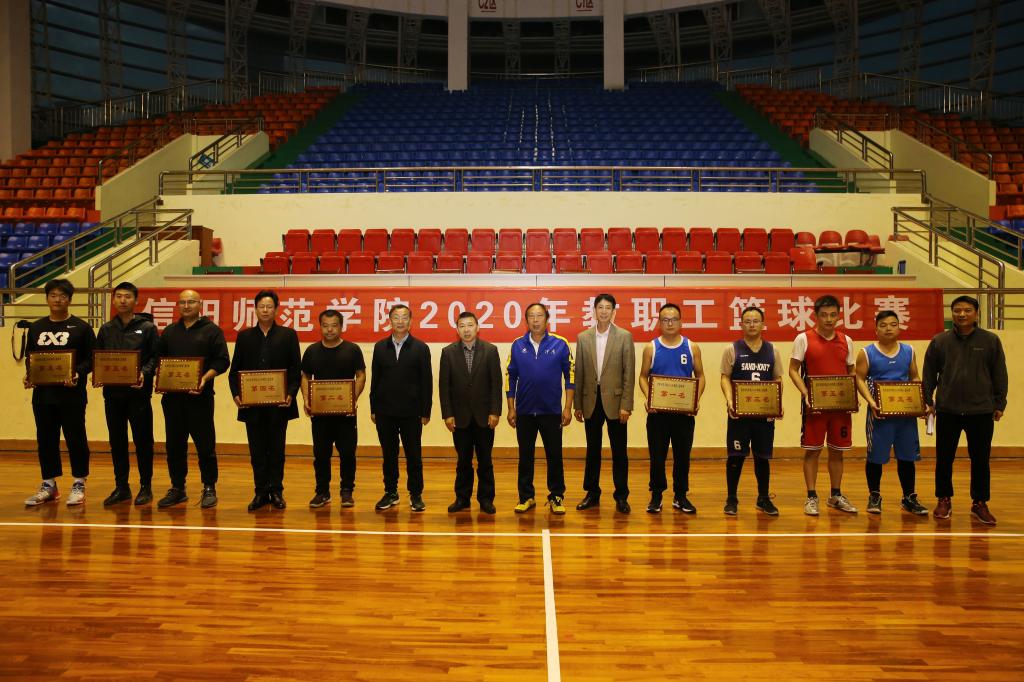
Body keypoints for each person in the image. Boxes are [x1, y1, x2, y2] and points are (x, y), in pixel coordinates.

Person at [922, 295, 1007, 525]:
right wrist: (928, 401)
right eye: (957, 310)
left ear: (976, 313)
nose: (962, 314)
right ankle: (943, 499)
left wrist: (1000, 403)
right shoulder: (940, 341)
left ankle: (979, 503)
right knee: (944, 458)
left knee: (981, 459)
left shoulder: (990, 340)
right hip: (947, 409)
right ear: (952, 313)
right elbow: (929, 374)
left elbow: (1000, 373)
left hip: (981, 410)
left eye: (967, 310)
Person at [23, 279, 96, 506]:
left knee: (76, 438)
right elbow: (30, 357)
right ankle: (49, 484)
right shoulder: (36, 327)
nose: (57, 300)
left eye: (63, 296)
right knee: (46, 439)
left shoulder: (82, 328)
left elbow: (92, 358)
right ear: (47, 298)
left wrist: (77, 373)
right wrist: (29, 375)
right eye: (53, 295)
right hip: (43, 396)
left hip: (72, 395)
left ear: (70, 300)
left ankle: (79, 482)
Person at [156, 289, 230, 509]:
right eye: (182, 302)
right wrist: (160, 378)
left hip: (200, 398)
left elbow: (222, 361)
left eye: (191, 302)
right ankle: (178, 488)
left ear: (200, 304)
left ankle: (209, 487)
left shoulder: (212, 331)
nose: (186, 306)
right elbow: (160, 360)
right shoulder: (169, 332)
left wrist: (204, 379)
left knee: (205, 446)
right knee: (174, 446)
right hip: (172, 400)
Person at [229, 290, 301, 512]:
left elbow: (295, 369)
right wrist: (236, 394)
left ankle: (276, 491)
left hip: (279, 404)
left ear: (276, 309)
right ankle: (260, 491)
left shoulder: (288, 335)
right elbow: (235, 371)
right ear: (255, 309)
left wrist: (291, 393)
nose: (266, 310)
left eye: (270, 306)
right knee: (257, 450)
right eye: (262, 306)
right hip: (252, 405)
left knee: (277, 450)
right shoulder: (244, 336)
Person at [788, 294, 858, 516]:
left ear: (839, 316)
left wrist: (851, 394)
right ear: (816, 316)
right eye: (824, 315)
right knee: (813, 451)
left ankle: (835, 495)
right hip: (814, 407)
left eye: (833, 315)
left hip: (840, 407)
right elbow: (793, 370)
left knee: (837, 452)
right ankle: (811, 496)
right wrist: (805, 392)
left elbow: (852, 371)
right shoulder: (803, 339)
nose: (829, 319)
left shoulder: (847, 340)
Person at [854, 310, 929, 516]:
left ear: (899, 327)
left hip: (905, 415)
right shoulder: (867, 352)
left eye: (893, 324)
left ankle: (909, 497)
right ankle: (874, 495)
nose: (888, 328)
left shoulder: (909, 351)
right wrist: (871, 402)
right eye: (883, 325)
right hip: (880, 415)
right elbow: (859, 378)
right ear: (876, 329)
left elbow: (914, 377)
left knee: (907, 456)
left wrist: (920, 401)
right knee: (876, 457)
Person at [506, 303, 575, 515]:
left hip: (551, 412)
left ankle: (556, 496)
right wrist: (511, 408)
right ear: (526, 320)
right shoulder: (517, 345)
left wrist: (567, 407)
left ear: (547, 319)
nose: (535, 320)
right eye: (531, 316)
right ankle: (526, 496)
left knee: (554, 456)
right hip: (525, 412)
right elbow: (510, 378)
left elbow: (570, 377)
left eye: (539, 316)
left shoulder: (560, 344)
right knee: (525, 456)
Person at [95, 281, 159, 507]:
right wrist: (99, 374)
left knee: (143, 441)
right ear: (113, 300)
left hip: (138, 395)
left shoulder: (147, 328)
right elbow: (98, 358)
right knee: (117, 441)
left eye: (127, 296)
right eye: (119, 296)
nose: (123, 300)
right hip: (112, 395)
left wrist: (144, 372)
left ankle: (146, 486)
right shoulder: (106, 329)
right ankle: (121, 486)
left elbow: (156, 357)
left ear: (136, 300)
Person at [639, 303, 705, 514]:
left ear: (681, 322)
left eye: (674, 319)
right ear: (659, 323)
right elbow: (643, 377)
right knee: (657, 456)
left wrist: (695, 400)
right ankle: (656, 495)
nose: (670, 323)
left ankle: (680, 495)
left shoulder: (692, 347)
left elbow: (700, 376)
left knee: (682, 456)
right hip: (658, 414)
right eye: (665, 320)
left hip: (684, 414)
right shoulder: (651, 348)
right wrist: (649, 398)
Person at [573, 293, 635, 514]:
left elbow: (629, 373)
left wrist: (626, 405)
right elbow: (579, 372)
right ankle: (592, 493)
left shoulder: (624, 336)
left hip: (616, 402)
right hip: (591, 400)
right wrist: (577, 404)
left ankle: (621, 496)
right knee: (593, 450)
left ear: (614, 312)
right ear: (594, 311)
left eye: (608, 308)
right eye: (600, 307)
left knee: (619, 451)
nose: (604, 311)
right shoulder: (583, 337)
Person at [719, 306, 782, 516]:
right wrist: (730, 401)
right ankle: (731, 498)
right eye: (747, 321)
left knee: (762, 457)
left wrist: (777, 403)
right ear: (741, 324)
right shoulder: (732, 349)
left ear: (763, 324)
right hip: (739, 415)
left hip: (763, 415)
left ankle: (763, 498)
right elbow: (725, 377)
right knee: (735, 456)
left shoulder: (773, 350)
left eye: (756, 321)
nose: (752, 325)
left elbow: (778, 379)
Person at [301, 309, 366, 509]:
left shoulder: (352, 350)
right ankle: (322, 492)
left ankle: (347, 491)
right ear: (320, 327)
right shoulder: (312, 351)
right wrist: (306, 399)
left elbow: (361, 375)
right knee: (321, 454)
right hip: (320, 414)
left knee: (347, 453)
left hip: (345, 414)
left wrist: (352, 397)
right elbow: (305, 376)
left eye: (334, 325)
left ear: (341, 326)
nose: (330, 330)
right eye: (325, 325)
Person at [370, 304, 432, 512]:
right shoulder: (380, 347)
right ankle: (391, 492)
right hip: (385, 411)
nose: (400, 321)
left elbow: (426, 382)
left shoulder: (421, 348)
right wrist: (373, 408)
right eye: (396, 317)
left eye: (404, 317)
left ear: (410, 322)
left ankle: (416, 494)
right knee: (389, 455)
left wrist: (425, 411)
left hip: (412, 412)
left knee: (414, 454)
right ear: (390, 321)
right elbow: (375, 379)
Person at [439, 311, 502, 515]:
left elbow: (496, 384)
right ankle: (462, 498)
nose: (466, 330)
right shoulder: (448, 353)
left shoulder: (490, 351)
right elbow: (444, 387)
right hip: (459, 417)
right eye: (462, 326)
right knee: (463, 461)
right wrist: (447, 414)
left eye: (470, 325)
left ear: (477, 327)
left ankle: (486, 499)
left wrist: (495, 411)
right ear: (457, 330)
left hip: (485, 416)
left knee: (485, 461)